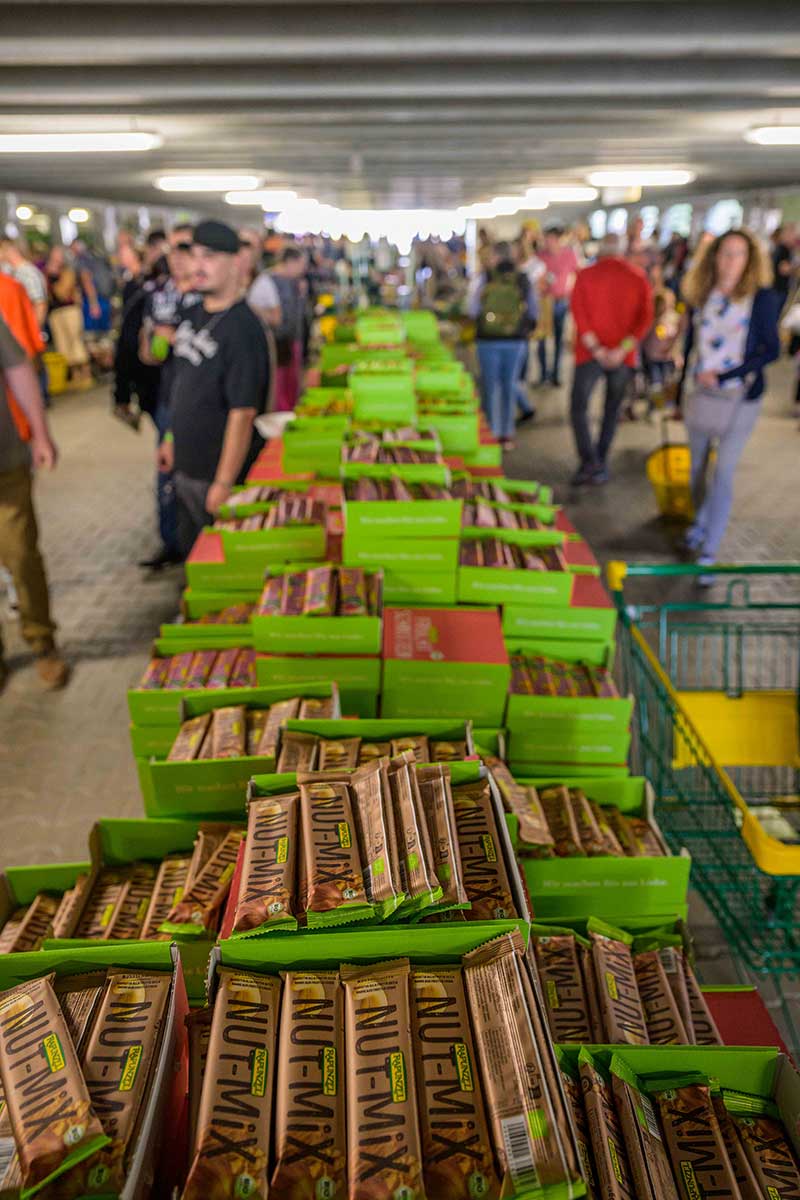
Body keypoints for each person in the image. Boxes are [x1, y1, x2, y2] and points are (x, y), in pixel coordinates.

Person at [157, 220, 270, 557]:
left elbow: (243, 412)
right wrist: (170, 438)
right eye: (193, 256)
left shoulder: (244, 328)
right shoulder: (191, 313)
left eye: (209, 257)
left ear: (236, 262)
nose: (197, 266)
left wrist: (224, 482)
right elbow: (180, 383)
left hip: (217, 474)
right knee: (193, 558)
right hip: (185, 466)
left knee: (221, 563)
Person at [678, 228, 779, 581]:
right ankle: (699, 520)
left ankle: (710, 549)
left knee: (722, 472)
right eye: (724, 253)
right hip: (702, 397)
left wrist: (726, 375)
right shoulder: (701, 294)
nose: (730, 261)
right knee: (696, 469)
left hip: (742, 397)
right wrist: (680, 390)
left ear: (750, 260)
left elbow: (771, 350)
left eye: (738, 254)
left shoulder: (762, 298)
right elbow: (690, 346)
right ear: (713, 257)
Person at [0, 314, 68, 690]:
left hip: (4, 464)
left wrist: (41, 434)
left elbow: (17, 369)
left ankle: (42, 642)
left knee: (20, 555)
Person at [138, 224, 202, 567]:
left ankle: (201, 544)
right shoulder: (157, 294)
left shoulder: (208, 297)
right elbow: (147, 353)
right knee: (167, 473)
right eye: (173, 251)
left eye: (185, 249)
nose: (177, 258)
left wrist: (179, 338)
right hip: (169, 396)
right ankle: (171, 542)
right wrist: (157, 343)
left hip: (202, 401)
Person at [569, 233, 654, 484]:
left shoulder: (585, 275)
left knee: (578, 408)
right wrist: (622, 349)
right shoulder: (637, 277)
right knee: (611, 409)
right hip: (621, 356)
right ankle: (600, 461)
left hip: (589, 354)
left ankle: (588, 461)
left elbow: (579, 314)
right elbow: (645, 318)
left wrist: (596, 349)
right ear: (622, 250)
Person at [467, 240, 538, 448]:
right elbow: (533, 311)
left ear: (495, 257)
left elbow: (472, 308)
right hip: (516, 341)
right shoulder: (524, 279)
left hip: (487, 341)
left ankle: (491, 431)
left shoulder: (485, 277)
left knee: (490, 386)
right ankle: (507, 434)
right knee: (509, 384)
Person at [536, 224, 580, 387]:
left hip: (561, 301)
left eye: (552, 239)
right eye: (547, 239)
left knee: (558, 340)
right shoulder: (540, 256)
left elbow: (578, 274)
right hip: (544, 302)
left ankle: (555, 374)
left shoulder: (569, 255)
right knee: (542, 339)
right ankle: (543, 375)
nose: (549, 242)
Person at [44, 246, 92, 389]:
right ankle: (75, 377)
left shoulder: (68, 271)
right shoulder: (46, 272)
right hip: (55, 312)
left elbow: (62, 293)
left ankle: (86, 375)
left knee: (76, 342)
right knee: (64, 345)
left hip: (69, 310)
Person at [267, 245, 308, 411]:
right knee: (281, 383)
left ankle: (290, 411)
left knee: (291, 382)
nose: (303, 269)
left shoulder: (293, 283)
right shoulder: (270, 282)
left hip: (292, 340)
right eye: (300, 264)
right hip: (279, 341)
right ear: (290, 262)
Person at [641, 288, 685, 410]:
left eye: (670, 301)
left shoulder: (675, 317)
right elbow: (644, 337)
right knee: (656, 384)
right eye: (664, 302)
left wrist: (676, 355)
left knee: (665, 384)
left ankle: (658, 407)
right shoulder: (652, 318)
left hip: (667, 358)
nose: (667, 305)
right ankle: (655, 408)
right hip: (653, 357)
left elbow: (678, 338)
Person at [70, 238, 115, 334]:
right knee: (105, 332)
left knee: (93, 334)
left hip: (94, 300)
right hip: (104, 297)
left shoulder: (82, 260)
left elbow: (87, 280)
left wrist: (93, 303)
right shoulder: (96, 256)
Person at [0, 237, 47, 327]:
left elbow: (40, 305)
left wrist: (32, 331)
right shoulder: (14, 272)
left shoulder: (27, 272)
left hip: (26, 329)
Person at [770, 224, 796, 309]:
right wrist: (795, 269)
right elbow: (783, 269)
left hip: (778, 289)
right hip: (779, 289)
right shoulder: (784, 249)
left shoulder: (784, 249)